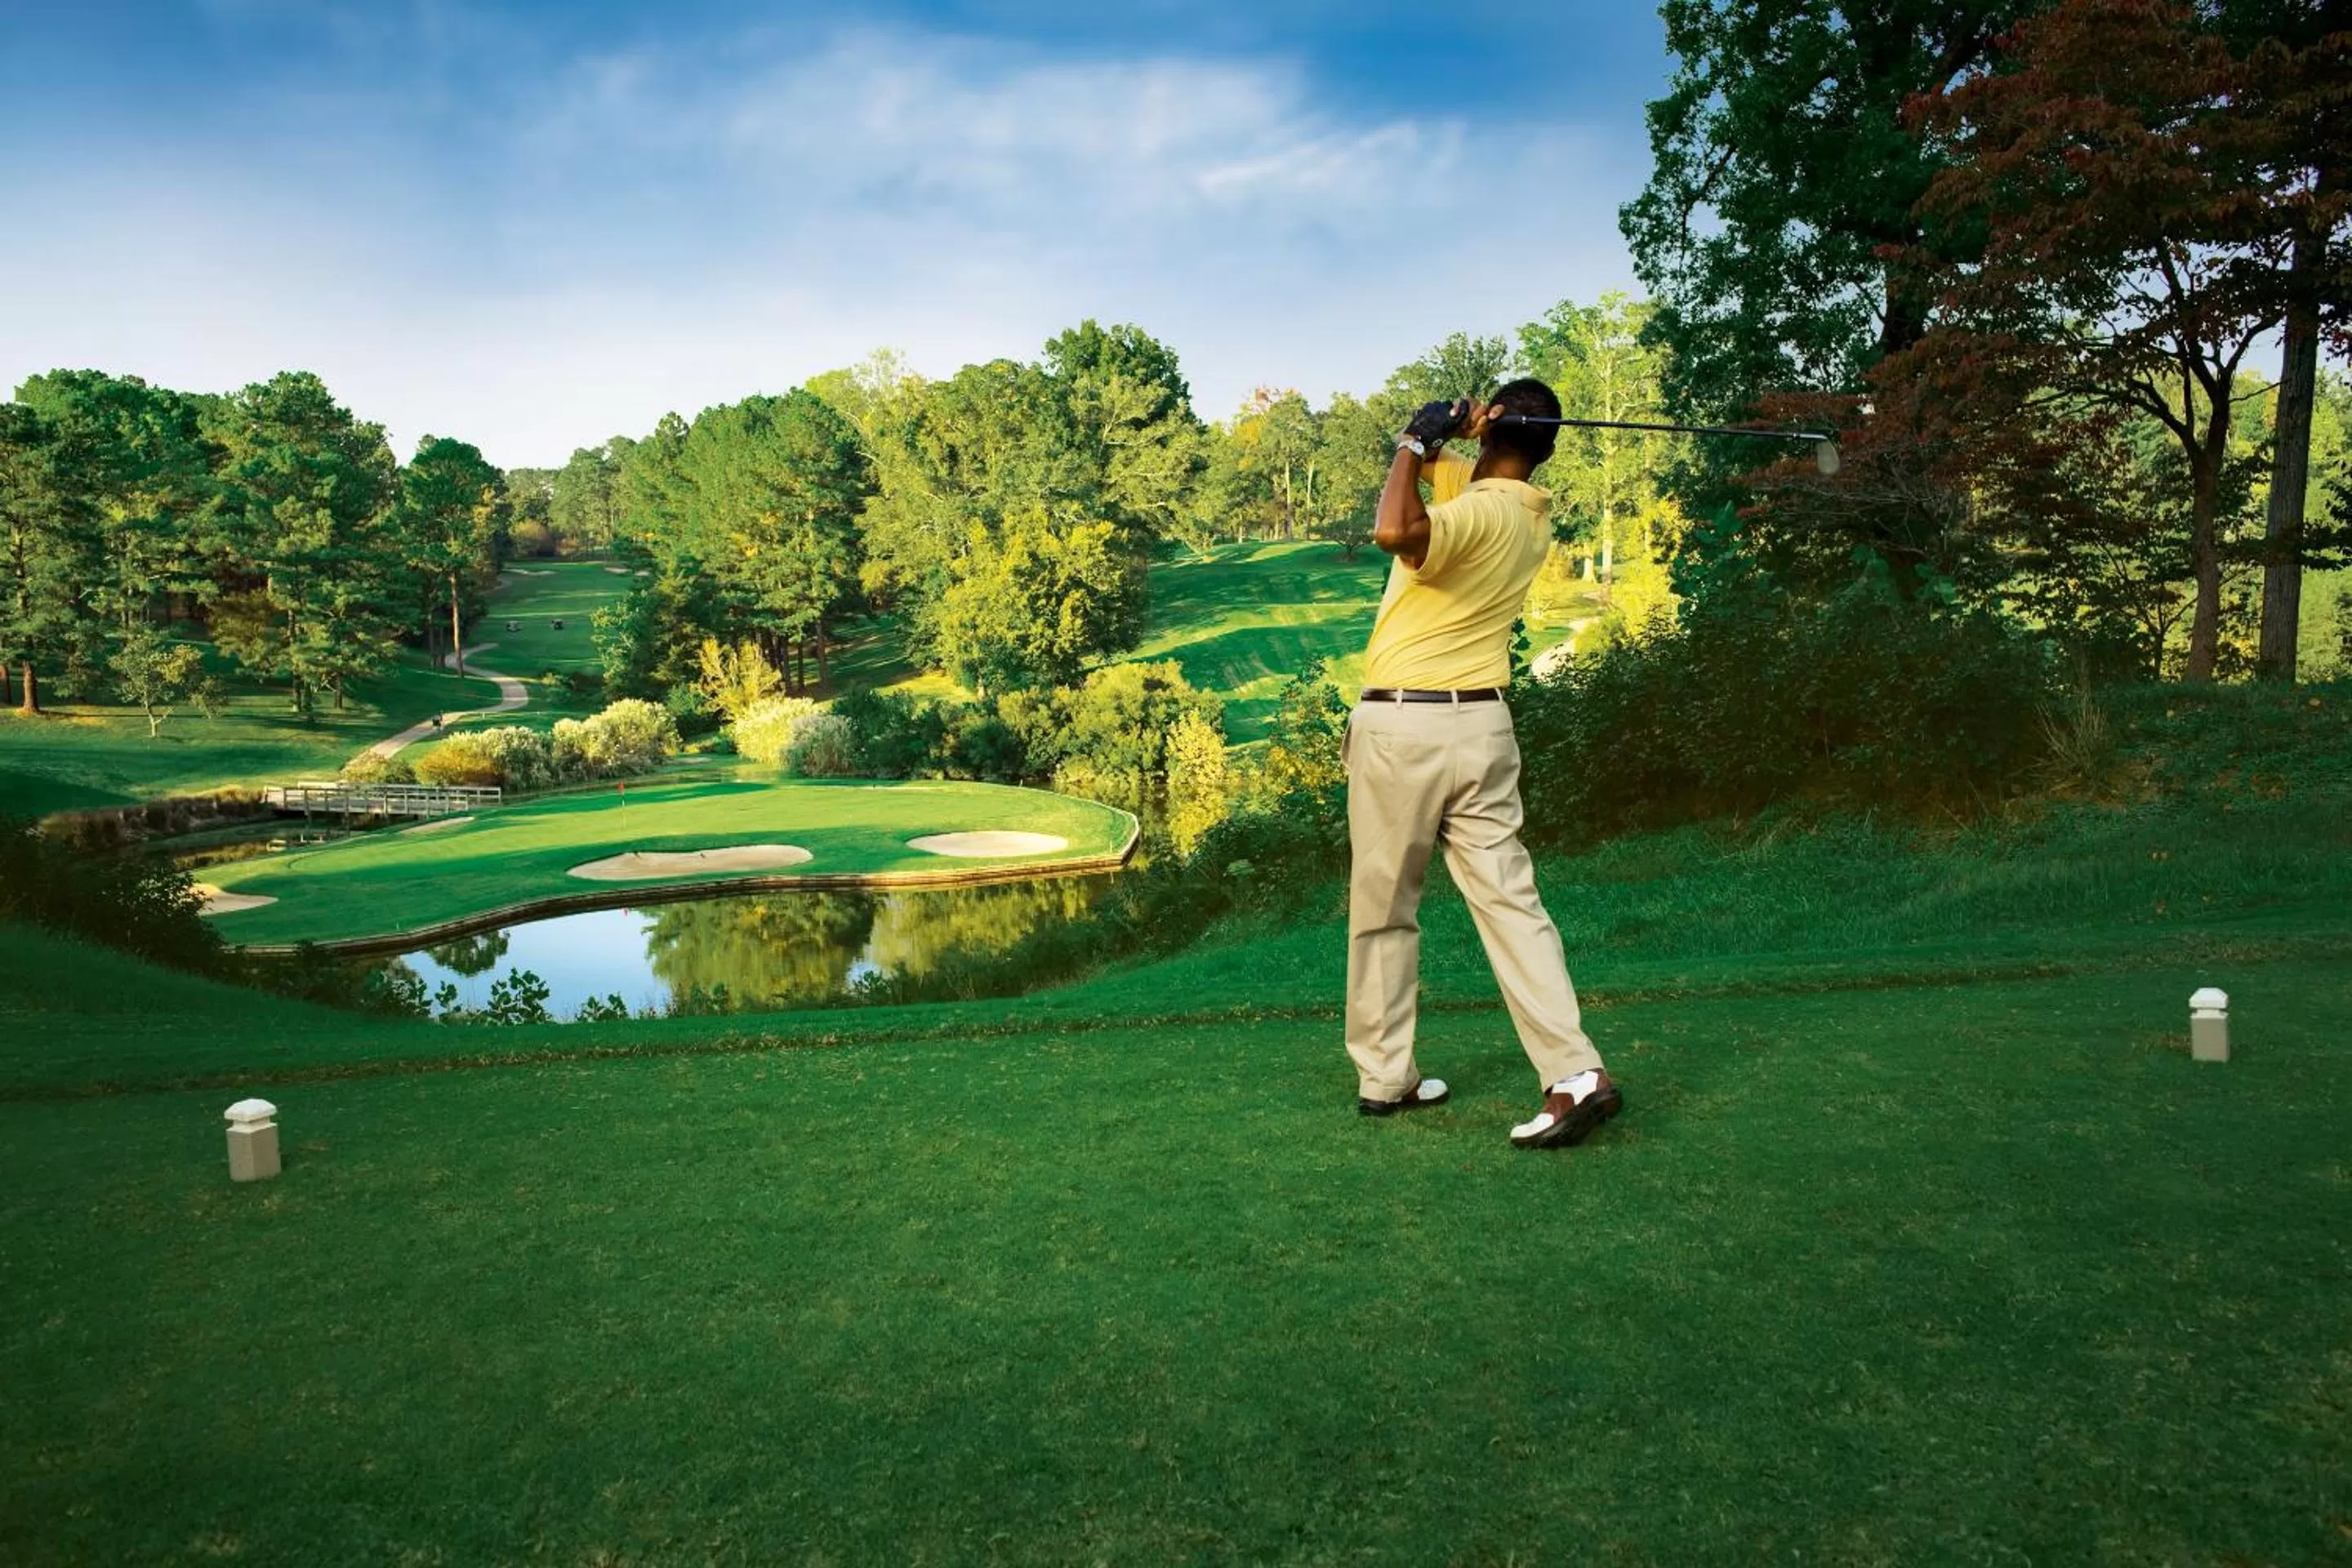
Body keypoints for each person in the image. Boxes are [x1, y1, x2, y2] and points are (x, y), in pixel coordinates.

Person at [1345, 379, 1621, 1150]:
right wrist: (1443, 439)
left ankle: (1385, 1076)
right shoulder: (1525, 511)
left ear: (1496, 423)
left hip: (1406, 727)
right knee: (1511, 904)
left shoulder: (1475, 513)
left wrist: (1411, 438)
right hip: (1485, 728)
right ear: (1550, 448)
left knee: (1384, 908)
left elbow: (1395, 529)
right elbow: (1450, 479)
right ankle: (1573, 1070)